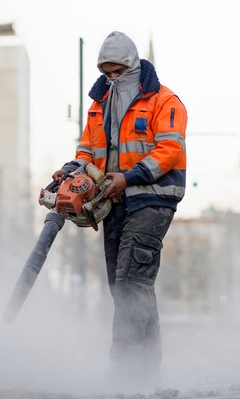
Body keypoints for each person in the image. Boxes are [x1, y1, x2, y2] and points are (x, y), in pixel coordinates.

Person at [51, 31, 187, 376]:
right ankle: (147, 367)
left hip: (153, 199)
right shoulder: (99, 106)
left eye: (118, 72)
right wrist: (69, 172)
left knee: (131, 281)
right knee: (125, 283)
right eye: (106, 73)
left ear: (132, 67)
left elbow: (170, 151)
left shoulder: (164, 102)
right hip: (113, 201)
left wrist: (129, 176)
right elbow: (87, 153)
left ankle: (124, 368)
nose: (112, 79)